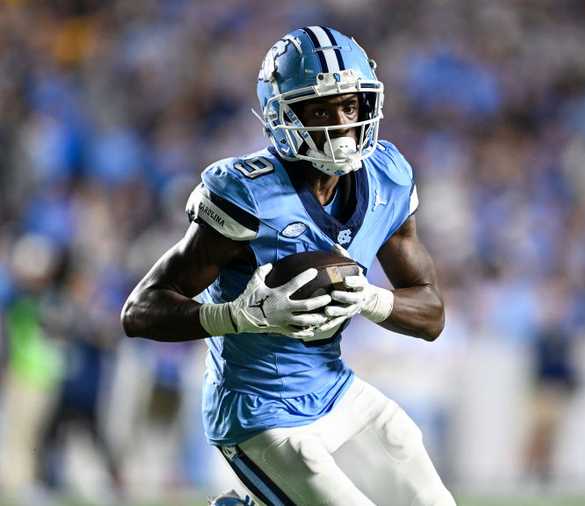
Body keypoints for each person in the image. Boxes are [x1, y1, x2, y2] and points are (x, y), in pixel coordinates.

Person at [121, 26, 455, 506]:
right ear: (283, 115)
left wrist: (371, 299)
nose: (339, 123)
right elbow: (139, 311)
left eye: (349, 105)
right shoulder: (247, 194)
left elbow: (431, 315)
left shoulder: (387, 175)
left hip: (335, 389)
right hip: (259, 412)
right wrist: (237, 316)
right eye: (318, 109)